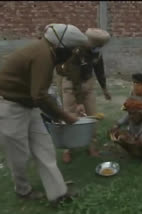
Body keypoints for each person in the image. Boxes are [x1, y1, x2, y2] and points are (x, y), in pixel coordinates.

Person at [0, 24, 87, 203]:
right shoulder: (43, 55)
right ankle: (23, 191)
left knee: (45, 148)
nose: (72, 53)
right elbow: (39, 95)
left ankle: (58, 194)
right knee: (19, 154)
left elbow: (38, 94)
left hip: (28, 105)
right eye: (71, 49)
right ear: (61, 46)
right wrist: (65, 116)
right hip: (10, 105)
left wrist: (57, 114)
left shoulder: (45, 49)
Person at [56, 28, 112, 163]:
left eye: (101, 46)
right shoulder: (76, 52)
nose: (99, 48)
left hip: (87, 83)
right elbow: (75, 78)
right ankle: (68, 149)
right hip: (71, 84)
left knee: (92, 115)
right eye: (98, 46)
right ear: (90, 43)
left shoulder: (96, 52)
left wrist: (104, 88)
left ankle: (91, 146)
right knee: (70, 115)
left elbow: (99, 69)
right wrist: (79, 101)